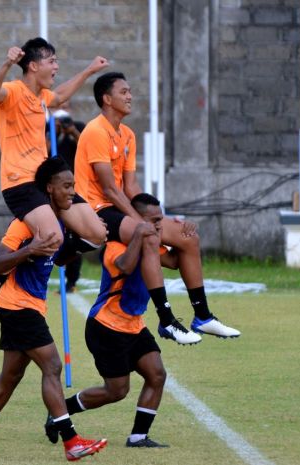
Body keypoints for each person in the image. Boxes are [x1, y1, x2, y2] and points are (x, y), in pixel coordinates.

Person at [0, 157, 107, 461]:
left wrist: (83, 243)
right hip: (17, 305)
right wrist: (30, 249)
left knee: (10, 377)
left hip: (31, 306)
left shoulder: (58, 222)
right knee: (51, 366)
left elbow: (59, 259)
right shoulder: (25, 222)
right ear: (48, 188)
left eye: (73, 187)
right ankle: (71, 441)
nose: (71, 192)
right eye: (66, 186)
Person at [74, 72, 240, 343]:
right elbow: (109, 190)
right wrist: (142, 222)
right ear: (106, 99)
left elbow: (131, 187)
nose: (130, 96)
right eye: (123, 92)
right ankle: (166, 321)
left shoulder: (126, 134)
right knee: (148, 234)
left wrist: (160, 216)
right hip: (96, 211)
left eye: (130, 91)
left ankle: (203, 316)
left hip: (120, 206)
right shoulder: (95, 131)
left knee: (188, 237)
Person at [46, 193, 176, 449]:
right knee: (117, 391)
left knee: (157, 374)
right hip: (106, 327)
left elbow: (174, 261)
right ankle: (59, 412)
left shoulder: (153, 244)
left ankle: (138, 437)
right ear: (137, 220)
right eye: (154, 220)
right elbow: (125, 267)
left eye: (161, 220)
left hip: (134, 325)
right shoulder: (115, 244)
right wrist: (139, 234)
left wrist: (188, 239)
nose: (159, 226)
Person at [0, 37, 108, 256]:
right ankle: (4, 262)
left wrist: (89, 70)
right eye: (51, 61)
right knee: (52, 238)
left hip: (45, 179)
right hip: (19, 181)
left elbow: (60, 96)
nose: (56, 67)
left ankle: (57, 250)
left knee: (98, 233)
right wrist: (7, 63)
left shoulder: (42, 97)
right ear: (33, 66)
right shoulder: (13, 91)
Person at [47, 103, 87, 292]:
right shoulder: (48, 129)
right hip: (53, 190)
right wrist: (52, 132)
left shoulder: (77, 127)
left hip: (74, 188)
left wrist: (71, 131)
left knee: (74, 233)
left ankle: (72, 281)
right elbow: (43, 151)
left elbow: (86, 148)